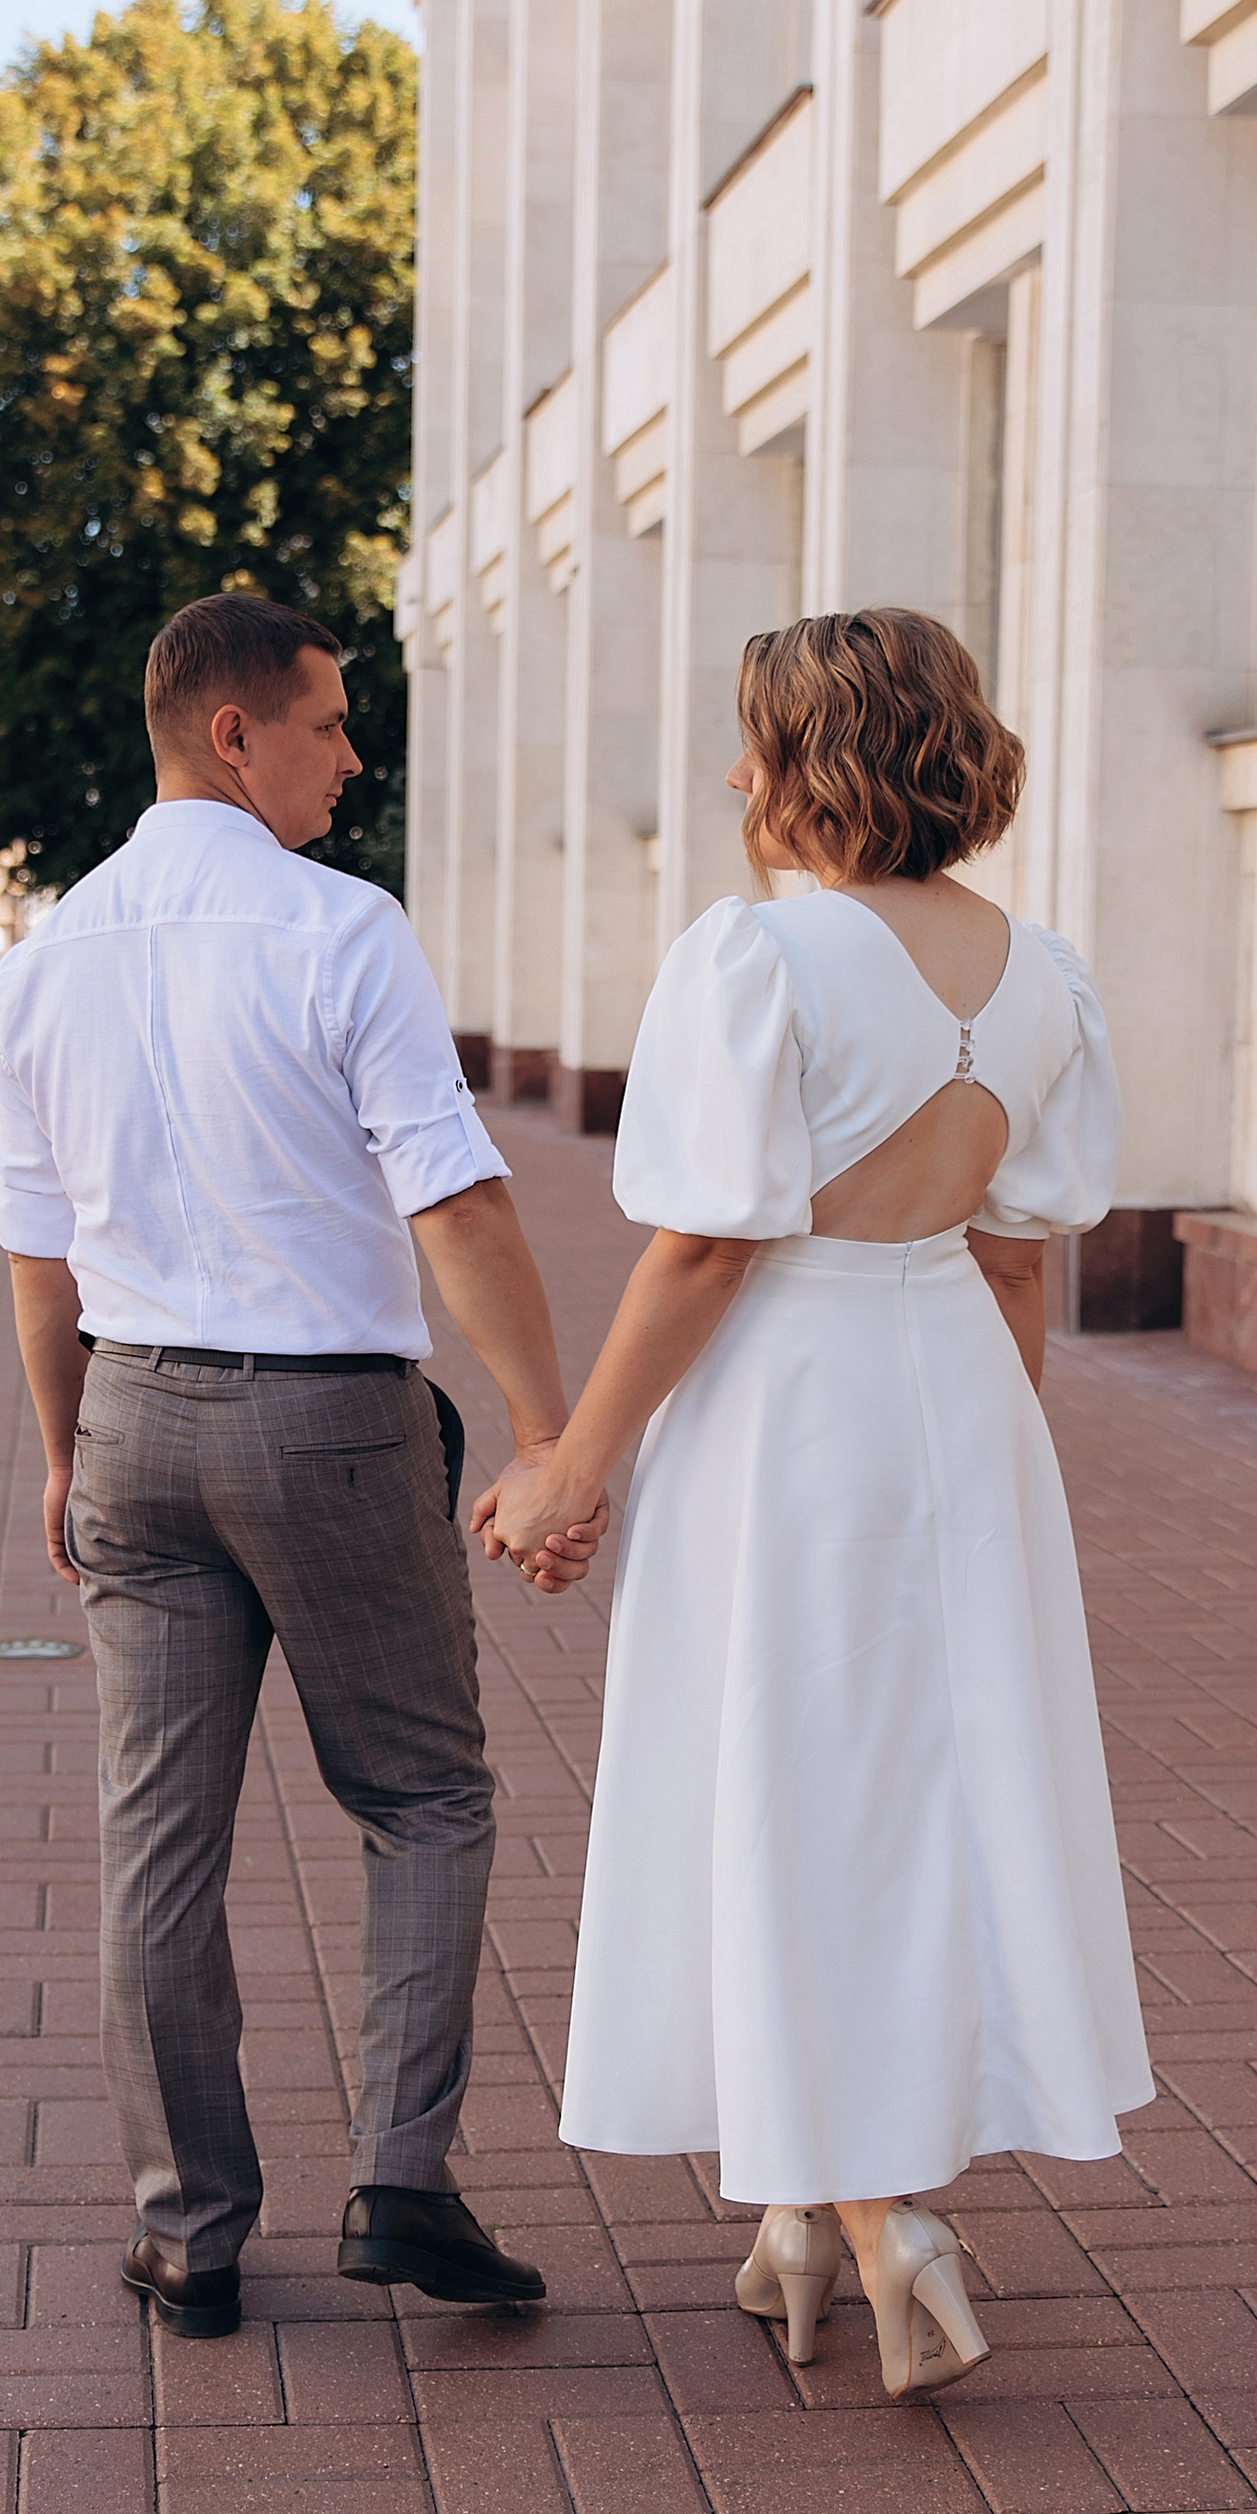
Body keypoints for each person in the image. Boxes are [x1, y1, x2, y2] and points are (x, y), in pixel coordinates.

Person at [483, 608, 1153, 2398]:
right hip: (958, 1395)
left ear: (814, 761)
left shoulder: (761, 962)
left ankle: (872, 2216)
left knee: (781, 1786)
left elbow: (706, 1245)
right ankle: (798, 2213)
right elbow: (1019, 1262)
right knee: (915, 1796)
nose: (731, 777)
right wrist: (1004, 1462)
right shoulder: (1042, 972)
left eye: (752, 743)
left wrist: (574, 1463)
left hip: (788, 1411)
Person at [0, 593, 600, 2340]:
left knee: (153, 1840)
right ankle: (402, 2180)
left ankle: (188, 2233)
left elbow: (39, 1258)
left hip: (133, 1423)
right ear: (235, 734)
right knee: (423, 1795)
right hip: (325, 1423)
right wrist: (549, 1427)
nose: (354, 753)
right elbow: (454, 1193)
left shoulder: (46, 960)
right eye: (330, 724)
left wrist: (62, 1454)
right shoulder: (340, 931)